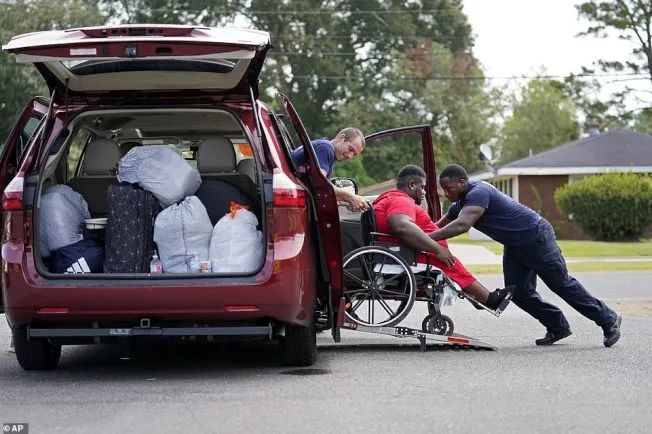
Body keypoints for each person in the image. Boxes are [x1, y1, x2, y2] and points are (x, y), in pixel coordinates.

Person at [431, 163, 622, 347]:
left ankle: (609, 320)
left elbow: (462, 225)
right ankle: (558, 326)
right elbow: (437, 226)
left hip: (536, 237)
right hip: (515, 245)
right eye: (444, 190)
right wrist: (415, 236)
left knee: (561, 284)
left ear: (462, 181)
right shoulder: (459, 205)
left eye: (449, 188)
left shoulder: (479, 192)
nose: (447, 194)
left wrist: (428, 238)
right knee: (519, 293)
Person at [372, 165, 514, 311]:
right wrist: (438, 249)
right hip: (406, 252)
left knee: (450, 262)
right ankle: (489, 299)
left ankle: (478, 297)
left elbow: (416, 221)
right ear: (412, 184)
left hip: (401, 249)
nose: (424, 191)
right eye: (422, 187)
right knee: (450, 263)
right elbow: (402, 226)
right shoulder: (400, 201)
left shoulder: (393, 198)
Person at [291, 127, 369, 212]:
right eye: (350, 149)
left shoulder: (323, 147)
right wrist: (350, 197)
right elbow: (320, 183)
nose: (350, 156)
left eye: (354, 154)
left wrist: (345, 200)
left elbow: (317, 187)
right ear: (341, 138)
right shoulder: (326, 148)